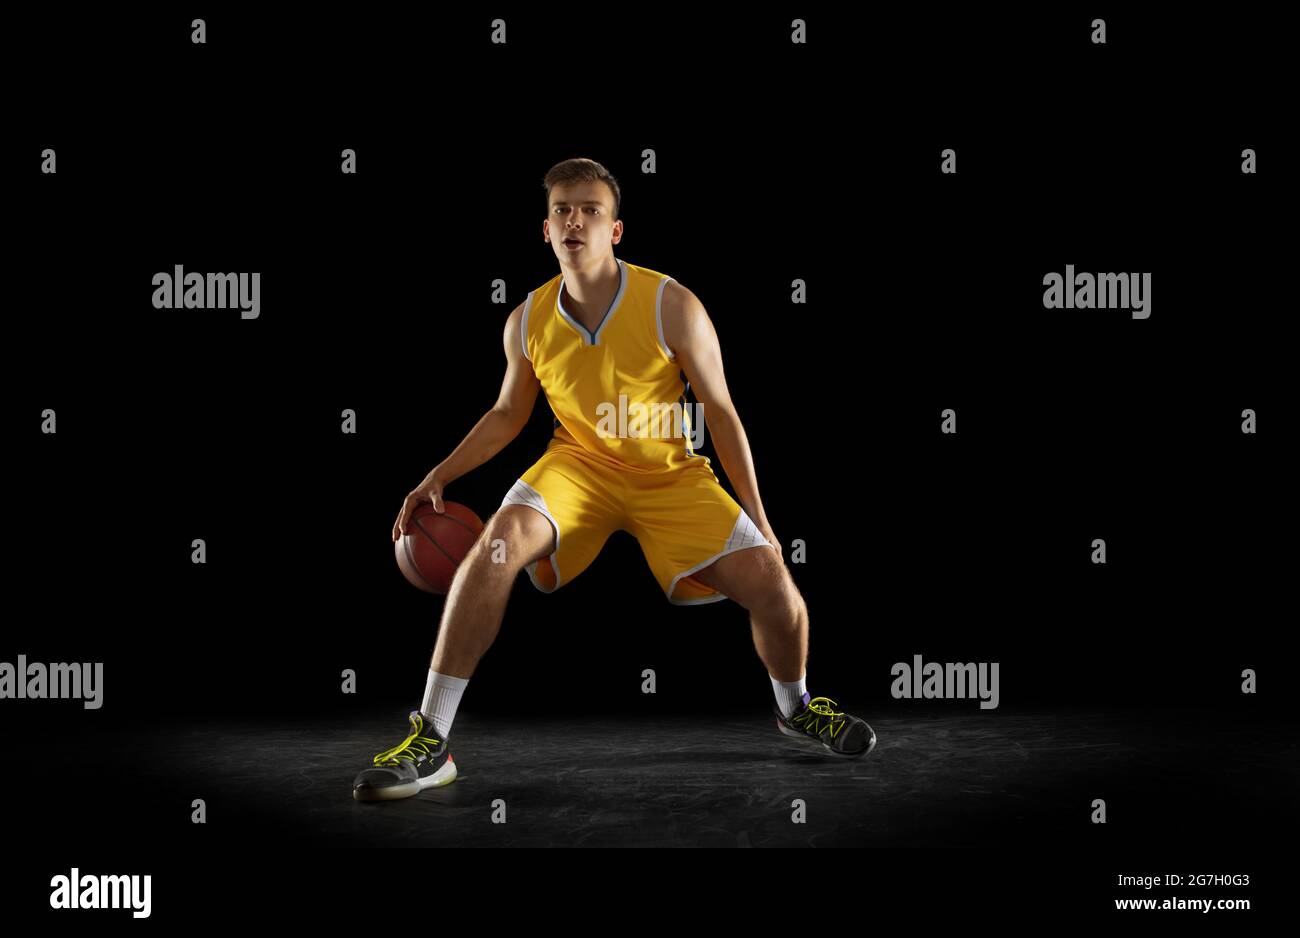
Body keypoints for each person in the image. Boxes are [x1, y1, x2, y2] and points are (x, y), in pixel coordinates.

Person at [352, 158, 875, 802]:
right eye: (562, 210)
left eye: (590, 209)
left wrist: (761, 521)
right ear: (545, 230)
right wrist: (438, 473)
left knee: (777, 590)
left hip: (669, 474)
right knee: (495, 545)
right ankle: (430, 739)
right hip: (579, 467)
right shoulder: (526, 320)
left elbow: (721, 411)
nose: (575, 219)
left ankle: (795, 709)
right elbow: (508, 413)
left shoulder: (671, 304)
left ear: (616, 230)